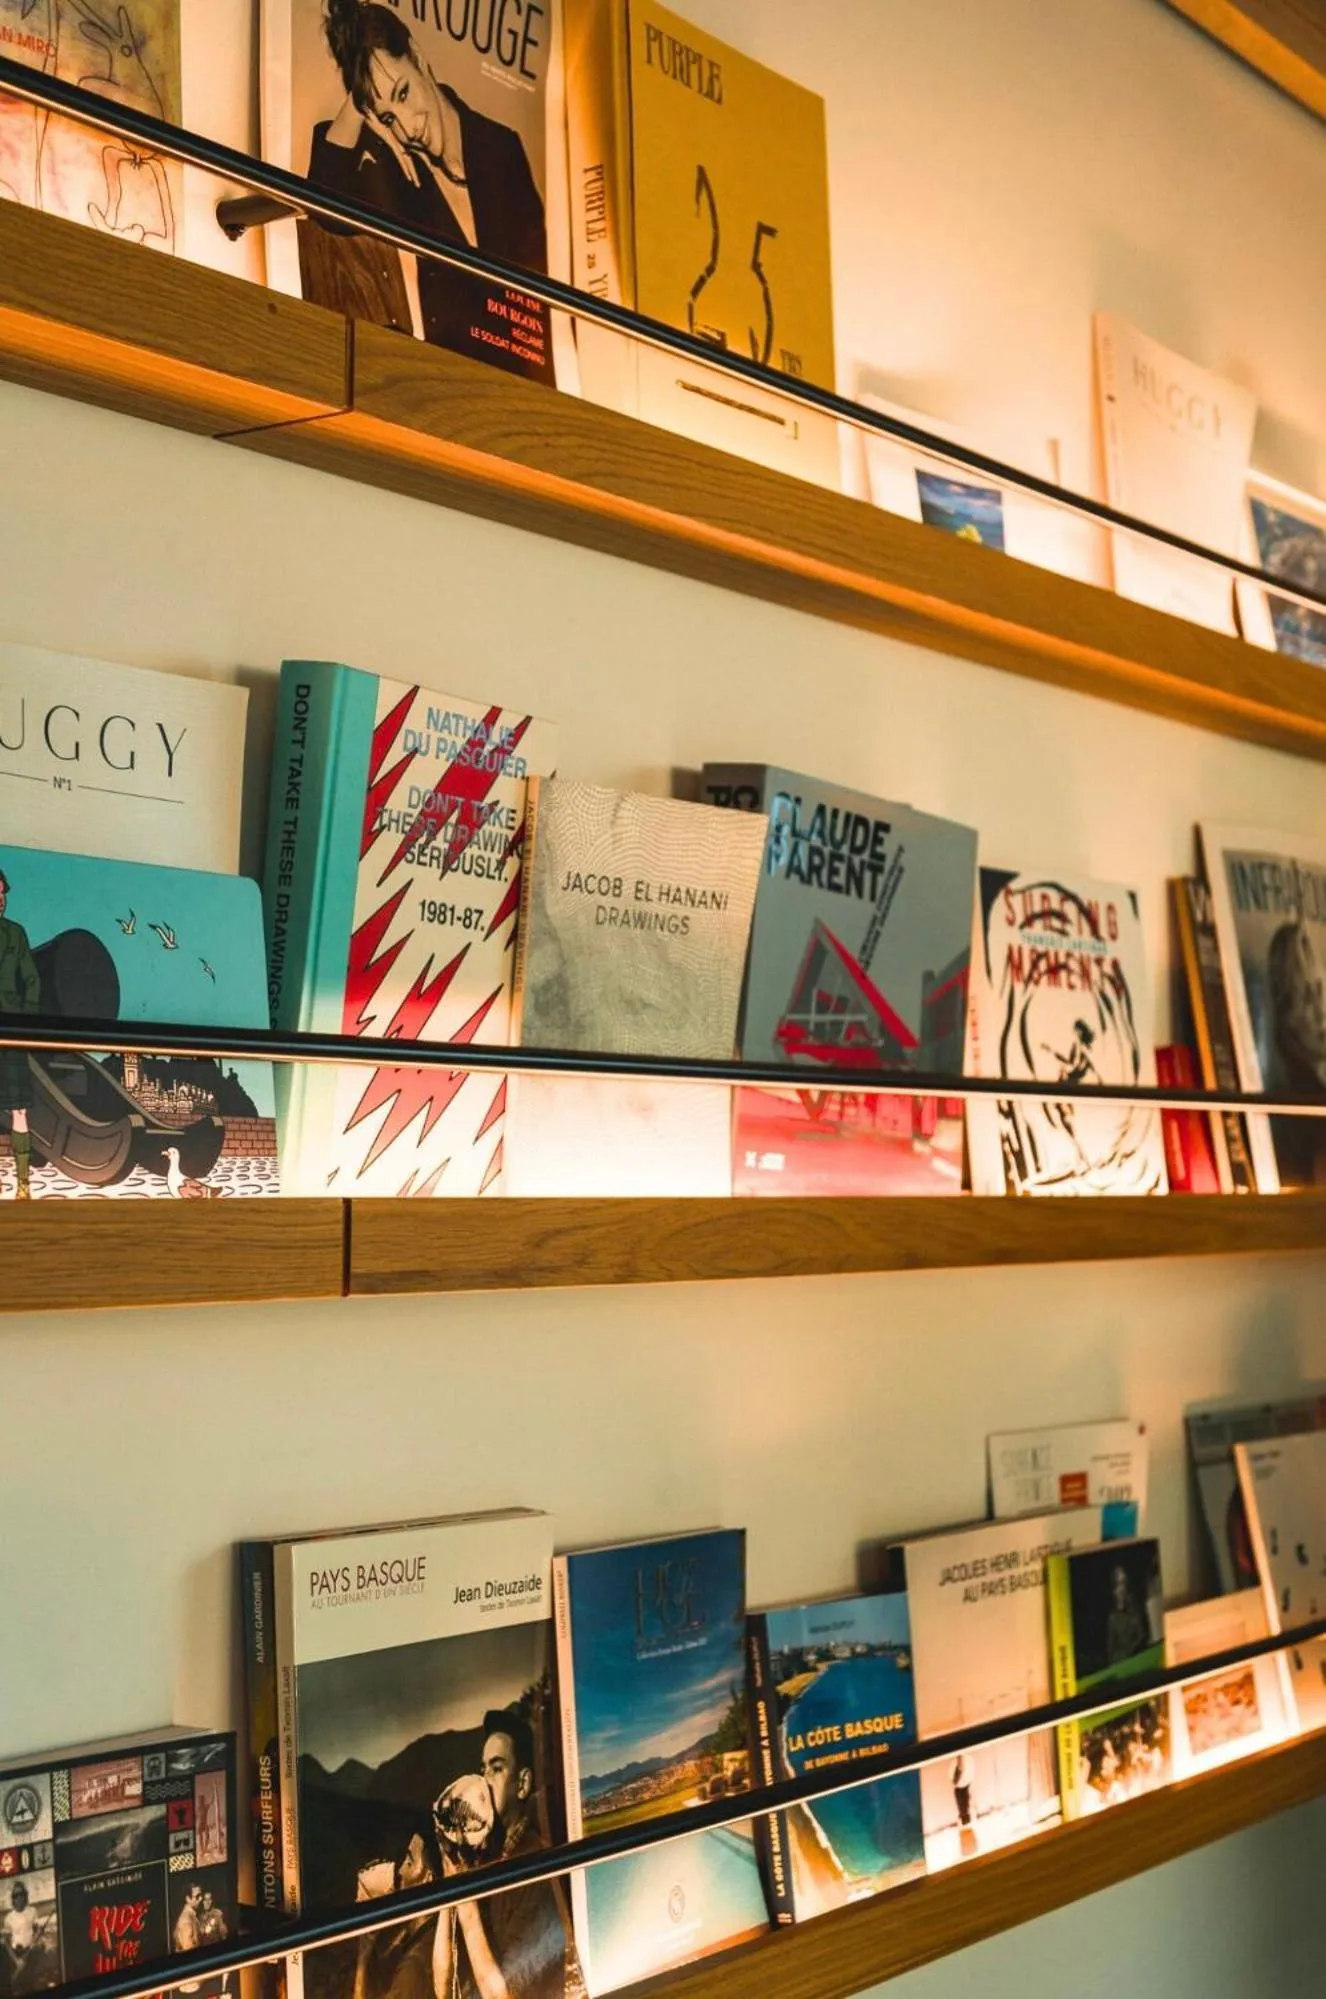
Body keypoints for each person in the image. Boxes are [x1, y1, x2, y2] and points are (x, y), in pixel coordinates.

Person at [304, 1, 550, 375]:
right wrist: (357, 103)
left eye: (403, 94)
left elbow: (539, 289)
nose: (407, 128)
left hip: (525, 391)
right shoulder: (400, 176)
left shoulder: (501, 147)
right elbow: (325, 208)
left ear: (417, 56)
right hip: (449, 383)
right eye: (388, 117)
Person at [430, 1711, 579, 1999]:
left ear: (522, 1784)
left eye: (496, 1769)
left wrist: (466, 1905)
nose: (483, 1781)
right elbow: (442, 1986)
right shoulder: (485, 1862)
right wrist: (449, 1880)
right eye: (483, 1769)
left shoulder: (537, 1869)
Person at [0, 869, 40, 1200]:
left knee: (20, 1110)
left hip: (11, 1027)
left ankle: (23, 1183)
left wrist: (26, 1021)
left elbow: (31, 980)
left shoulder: (16, 933)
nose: (0, 900)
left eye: (3, 894)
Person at [1104, 1563, 1147, 1665]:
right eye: (1118, 1584)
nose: (1121, 1589)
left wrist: (1131, 1649)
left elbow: (1141, 1635)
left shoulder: (1135, 1610)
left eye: (1123, 1583)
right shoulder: (1112, 1618)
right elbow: (1110, 1650)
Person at [173, 1882, 204, 1952]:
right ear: (187, 1899)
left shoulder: (192, 1916)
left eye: (201, 1895)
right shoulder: (186, 1920)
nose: (201, 1899)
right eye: (197, 1896)